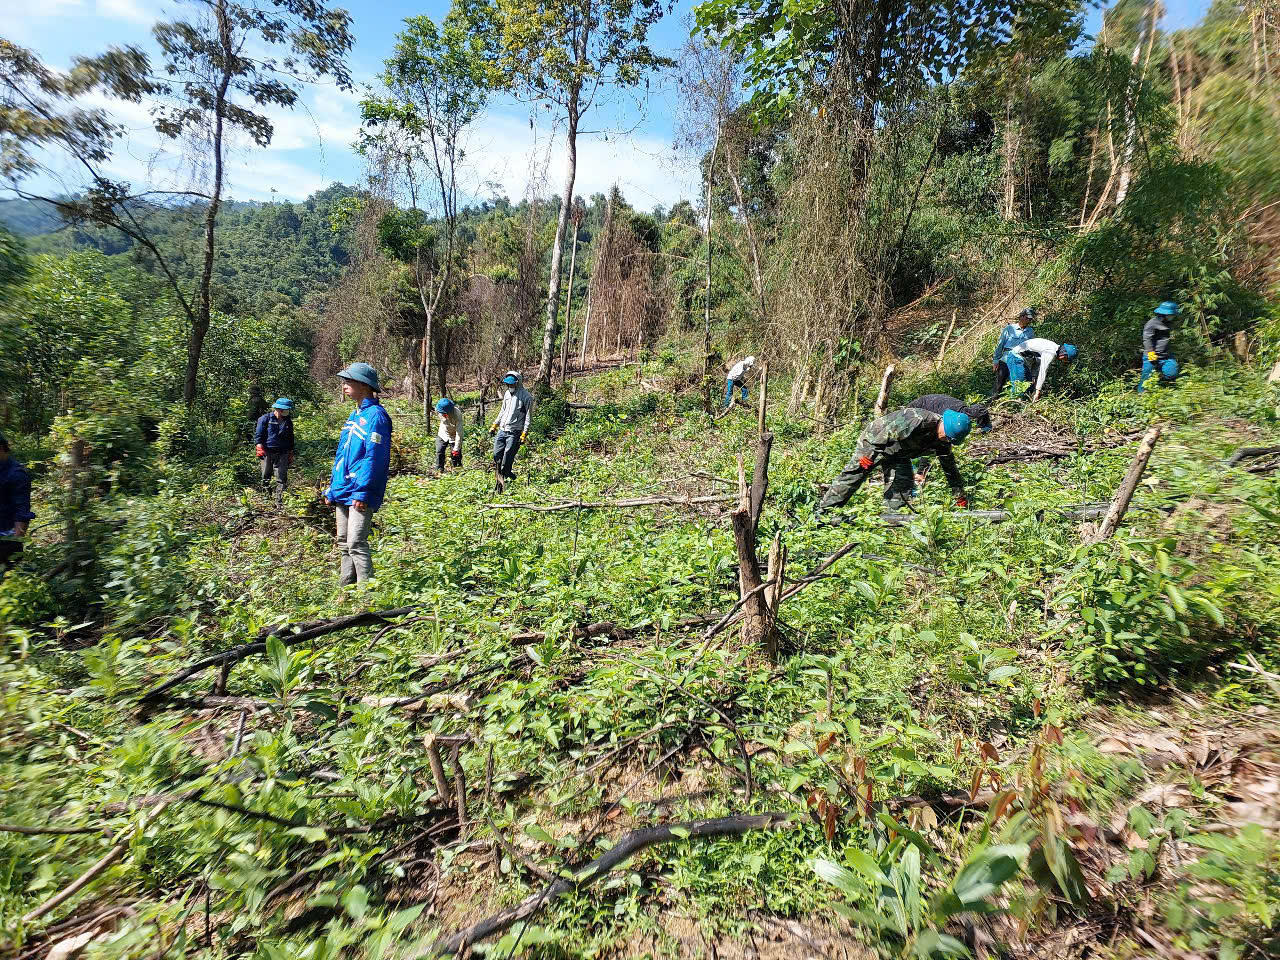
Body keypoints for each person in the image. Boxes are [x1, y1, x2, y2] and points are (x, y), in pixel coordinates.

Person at [816, 408, 973, 516]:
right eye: (946, 436)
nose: (945, 440)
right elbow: (885, 433)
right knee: (854, 476)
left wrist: (959, 496)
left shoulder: (944, 442)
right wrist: (868, 456)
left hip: (898, 453)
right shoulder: (918, 420)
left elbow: (950, 469)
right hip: (874, 442)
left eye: (949, 440)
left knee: (903, 487)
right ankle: (823, 514)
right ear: (944, 423)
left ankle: (892, 521)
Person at [323, 363, 392, 586]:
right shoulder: (355, 415)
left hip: (360, 491)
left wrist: (363, 492)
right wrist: (332, 488)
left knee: (356, 543)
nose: (343, 386)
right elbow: (342, 454)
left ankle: (367, 597)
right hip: (343, 488)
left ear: (363, 385)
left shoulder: (377, 417)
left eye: (348, 381)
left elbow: (375, 458)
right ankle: (346, 589)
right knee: (343, 542)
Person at [489, 370, 534, 491]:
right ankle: (504, 475)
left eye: (512, 384)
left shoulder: (526, 397)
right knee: (496, 455)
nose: (510, 386)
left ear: (518, 383)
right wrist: (495, 424)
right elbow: (502, 411)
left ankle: (503, 482)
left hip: (514, 432)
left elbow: (528, 417)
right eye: (508, 385)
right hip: (502, 430)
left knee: (507, 457)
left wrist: (525, 433)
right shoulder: (507, 394)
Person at [1004, 338, 1078, 401]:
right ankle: (1013, 406)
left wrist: (1033, 376)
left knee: (1029, 386)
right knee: (1019, 385)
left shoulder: (1052, 347)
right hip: (1015, 357)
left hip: (1022, 360)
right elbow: (1043, 371)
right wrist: (1038, 391)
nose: (1064, 361)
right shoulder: (1051, 352)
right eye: (1065, 359)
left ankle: (1024, 406)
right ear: (1064, 353)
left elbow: (1037, 361)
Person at [0, 432, 33, 569]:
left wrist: (15, 542)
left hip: (5, 541)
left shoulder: (17, 474)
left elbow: (22, 511)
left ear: (1, 448)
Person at [254, 398, 295, 499]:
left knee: (281, 476)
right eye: (284, 410)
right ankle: (266, 496)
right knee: (265, 475)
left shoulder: (288, 421)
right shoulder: (265, 419)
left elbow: (291, 437)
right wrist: (259, 446)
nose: (286, 412)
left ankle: (279, 499)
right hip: (267, 451)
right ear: (278, 408)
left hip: (283, 452)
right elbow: (258, 435)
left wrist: (290, 452)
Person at [993, 308, 1036, 395]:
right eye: (1027, 318)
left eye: (1030, 319)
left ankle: (1014, 403)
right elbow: (1000, 344)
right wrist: (996, 360)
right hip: (1005, 359)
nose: (1029, 321)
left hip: (1020, 361)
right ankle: (992, 402)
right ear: (1021, 317)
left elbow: (1031, 348)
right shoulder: (1009, 328)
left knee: (1018, 384)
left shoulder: (1030, 332)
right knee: (999, 384)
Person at [1140, 301, 1180, 392]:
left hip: (1166, 355)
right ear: (1165, 314)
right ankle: (1141, 396)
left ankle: (1165, 387)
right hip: (1151, 356)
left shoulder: (1168, 323)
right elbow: (1147, 338)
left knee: (1172, 372)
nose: (1173, 317)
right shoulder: (1151, 323)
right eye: (1172, 315)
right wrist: (1150, 352)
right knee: (1146, 378)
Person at [908, 394, 992, 434]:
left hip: (928, 402)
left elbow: (981, 410)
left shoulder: (961, 408)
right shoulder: (949, 414)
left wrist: (985, 426)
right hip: (921, 406)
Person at [435, 397, 463, 472]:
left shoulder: (457, 414)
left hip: (454, 435)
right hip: (443, 433)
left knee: (456, 455)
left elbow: (459, 433)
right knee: (439, 451)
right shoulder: (438, 409)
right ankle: (439, 471)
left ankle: (457, 471)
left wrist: (456, 448)